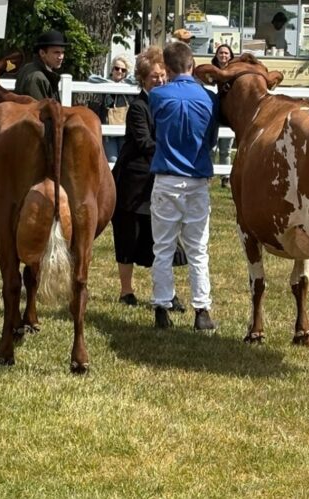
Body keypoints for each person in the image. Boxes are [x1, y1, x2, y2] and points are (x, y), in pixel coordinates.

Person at [149, 41, 219, 332]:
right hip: (196, 178)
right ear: (192, 64)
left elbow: (155, 130)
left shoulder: (157, 95)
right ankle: (202, 310)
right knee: (198, 248)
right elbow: (212, 139)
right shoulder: (209, 99)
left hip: (167, 177)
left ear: (166, 67)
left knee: (163, 247)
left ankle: (162, 308)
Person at [111, 47, 186, 311]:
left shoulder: (170, 103)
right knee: (128, 237)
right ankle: (126, 291)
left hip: (161, 180)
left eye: (163, 75)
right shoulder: (138, 108)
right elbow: (144, 143)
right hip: (133, 182)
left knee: (163, 240)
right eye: (154, 76)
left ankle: (168, 293)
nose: (160, 80)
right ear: (143, 79)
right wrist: (175, 151)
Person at [97, 55, 134, 163]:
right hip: (108, 130)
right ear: (112, 69)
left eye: (123, 70)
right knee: (112, 160)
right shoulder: (103, 83)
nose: (119, 71)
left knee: (124, 160)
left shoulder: (130, 85)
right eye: (117, 68)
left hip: (125, 129)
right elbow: (92, 79)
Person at [14, 30, 68, 101]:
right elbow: (38, 110)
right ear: (42, 53)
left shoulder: (28, 67)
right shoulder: (37, 77)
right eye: (56, 52)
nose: (61, 57)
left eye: (62, 52)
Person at [211, 44, 234, 188]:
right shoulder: (210, 72)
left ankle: (226, 178)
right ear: (216, 55)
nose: (223, 55)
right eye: (221, 53)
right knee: (211, 147)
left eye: (226, 53)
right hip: (212, 114)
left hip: (227, 115)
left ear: (230, 56)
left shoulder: (234, 73)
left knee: (226, 148)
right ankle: (208, 175)